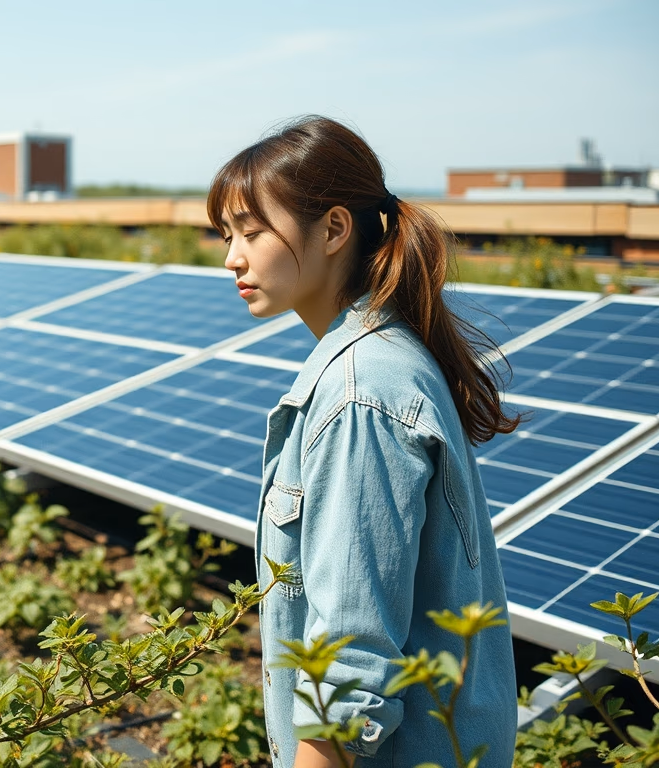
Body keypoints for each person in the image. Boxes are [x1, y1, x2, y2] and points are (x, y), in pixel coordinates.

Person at [209, 116, 517, 767]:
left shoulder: (360, 393)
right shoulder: (382, 358)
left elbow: (350, 667)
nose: (231, 257)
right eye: (227, 234)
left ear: (334, 229)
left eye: (252, 232)